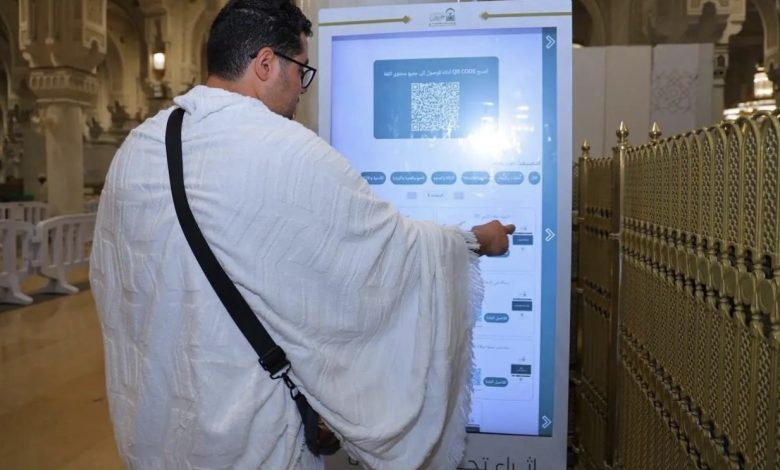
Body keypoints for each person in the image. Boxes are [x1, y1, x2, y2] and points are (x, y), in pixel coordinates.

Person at [89, 0, 515, 469]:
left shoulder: (138, 149)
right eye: (301, 71)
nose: (301, 90)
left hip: (156, 434)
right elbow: (386, 254)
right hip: (251, 446)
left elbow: (116, 283)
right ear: (266, 63)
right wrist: (475, 241)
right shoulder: (285, 150)